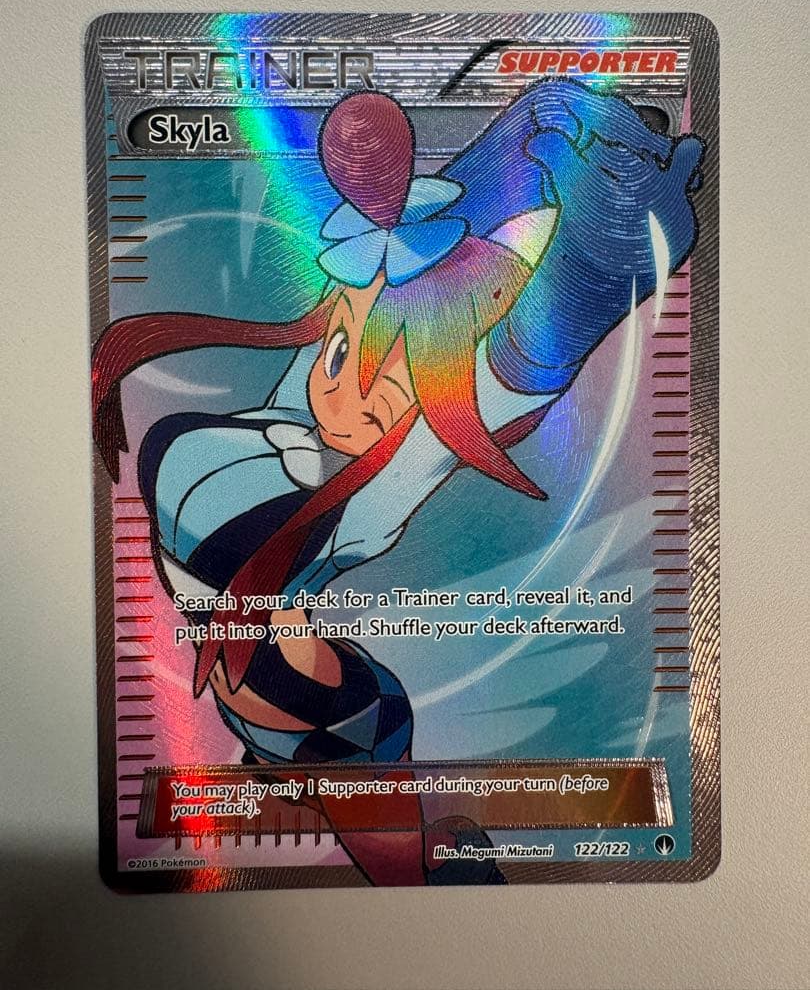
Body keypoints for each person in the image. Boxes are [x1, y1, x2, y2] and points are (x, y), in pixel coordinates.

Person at [92, 81, 703, 883]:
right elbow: (395, 283)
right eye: (351, 357)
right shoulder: (314, 406)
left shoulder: (361, 487)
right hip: (301, 692)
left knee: (403, 866)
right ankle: (322, 794)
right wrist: (522, 142)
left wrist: (595, 266)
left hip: (330, 713)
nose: (367, 401)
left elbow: (490, 382)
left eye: (404, 390)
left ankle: (402, 850)